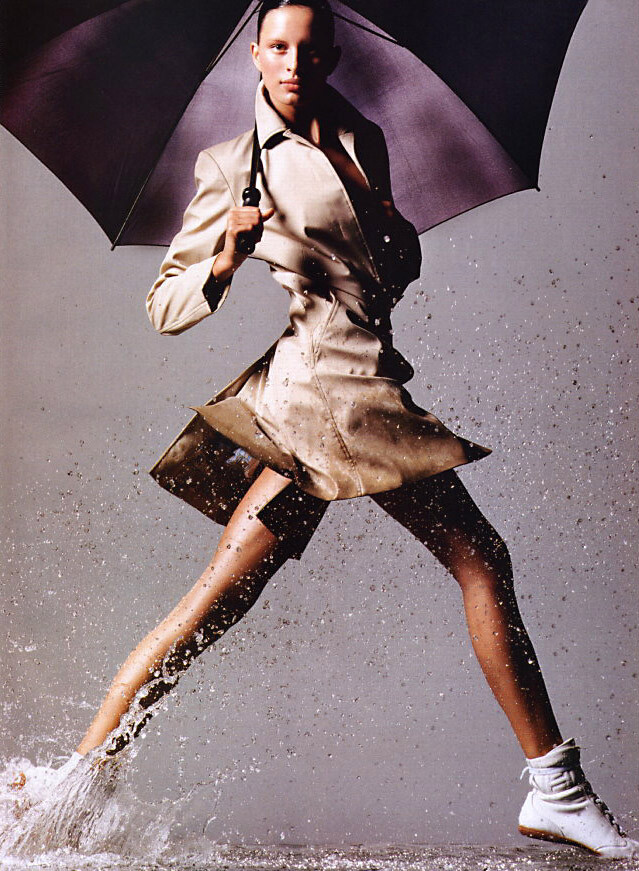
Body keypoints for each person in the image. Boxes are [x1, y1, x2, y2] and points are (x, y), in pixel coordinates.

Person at [22, 0, 637, 858]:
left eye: (308, 49)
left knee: (215, 603)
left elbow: (382, 278)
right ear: (254, 54)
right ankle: (555, 786)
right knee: (480, 557)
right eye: (277, 47)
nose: (292, 63)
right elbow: (165, 306)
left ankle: (74, 782)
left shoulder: (362, 139)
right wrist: (226, 256)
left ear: (333, 55)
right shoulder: (235, 165)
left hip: (340, 392)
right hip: (330, 398)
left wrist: (388, 223)